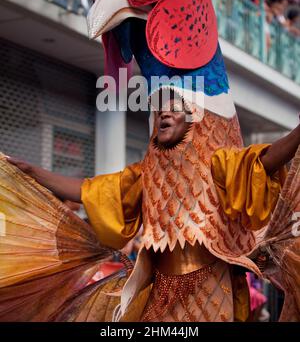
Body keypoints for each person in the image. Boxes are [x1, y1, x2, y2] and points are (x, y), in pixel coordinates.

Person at [6, 92, 300, 321]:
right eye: (159, 110)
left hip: (211, 286)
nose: (164, 114)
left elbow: (267, 159)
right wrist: (34, 173)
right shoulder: (145, 173)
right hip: (158, 290)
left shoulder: (219, 162)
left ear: (191, 118)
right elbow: (88, 190)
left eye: (173, 108)